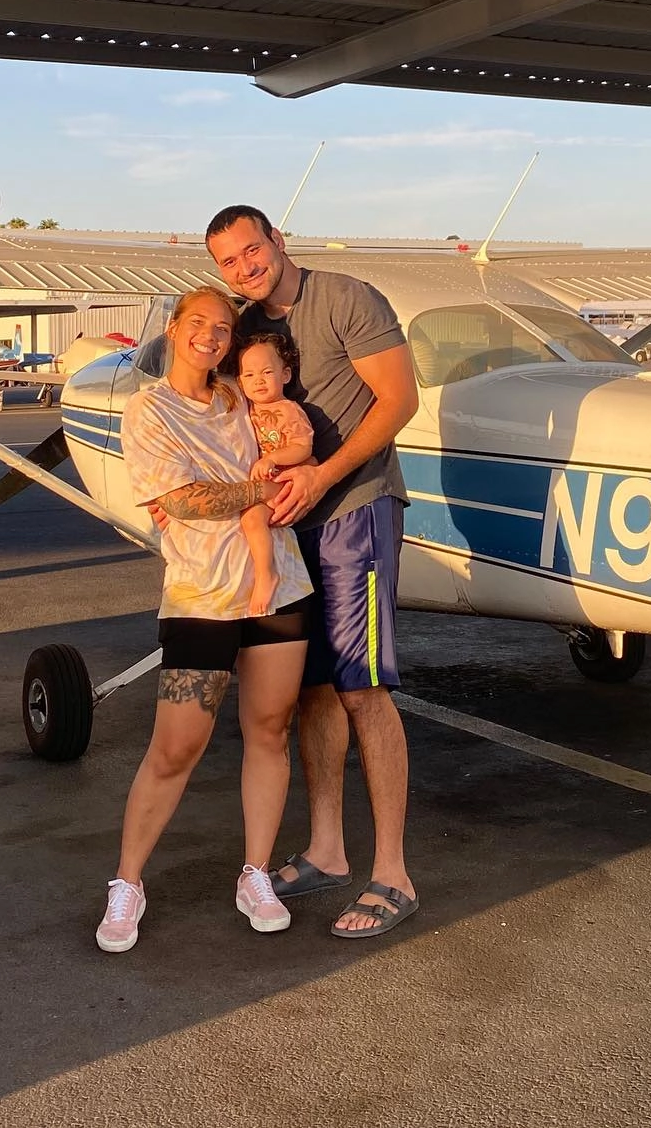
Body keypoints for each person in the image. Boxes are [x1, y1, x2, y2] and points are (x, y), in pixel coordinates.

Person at [206, 205, 421, 941]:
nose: (245, 268)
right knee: (314, 692)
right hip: (289, 524)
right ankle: (327, 848)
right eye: (229, 262)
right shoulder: (242, 327)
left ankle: (391, 872)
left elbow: (399, 399)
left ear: (277, 241)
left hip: (355, 510)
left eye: (251, 250)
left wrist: (325, 472)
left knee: (364, 690)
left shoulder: (346, 299)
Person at [96, 285, 313, 954]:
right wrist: (257, 490)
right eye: (200, 324)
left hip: (279, 588)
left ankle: (255, 873)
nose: (212, 336)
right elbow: (186, 501)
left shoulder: (240, 396)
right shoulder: (148, 408)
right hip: (201, 595)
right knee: (176, 748)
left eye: (223, 327)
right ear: (175, 326)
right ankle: (128, 881)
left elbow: (285, 433)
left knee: (270, 732)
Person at [237, 328, 315, 482]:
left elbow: (303, 447)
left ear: (285, 375)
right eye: (249, 375)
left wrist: (272, 459)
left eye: (267, 372)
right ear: (240, 382)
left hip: (285, 478)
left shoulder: (289, 410)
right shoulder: (244, 407)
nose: (259, 380)